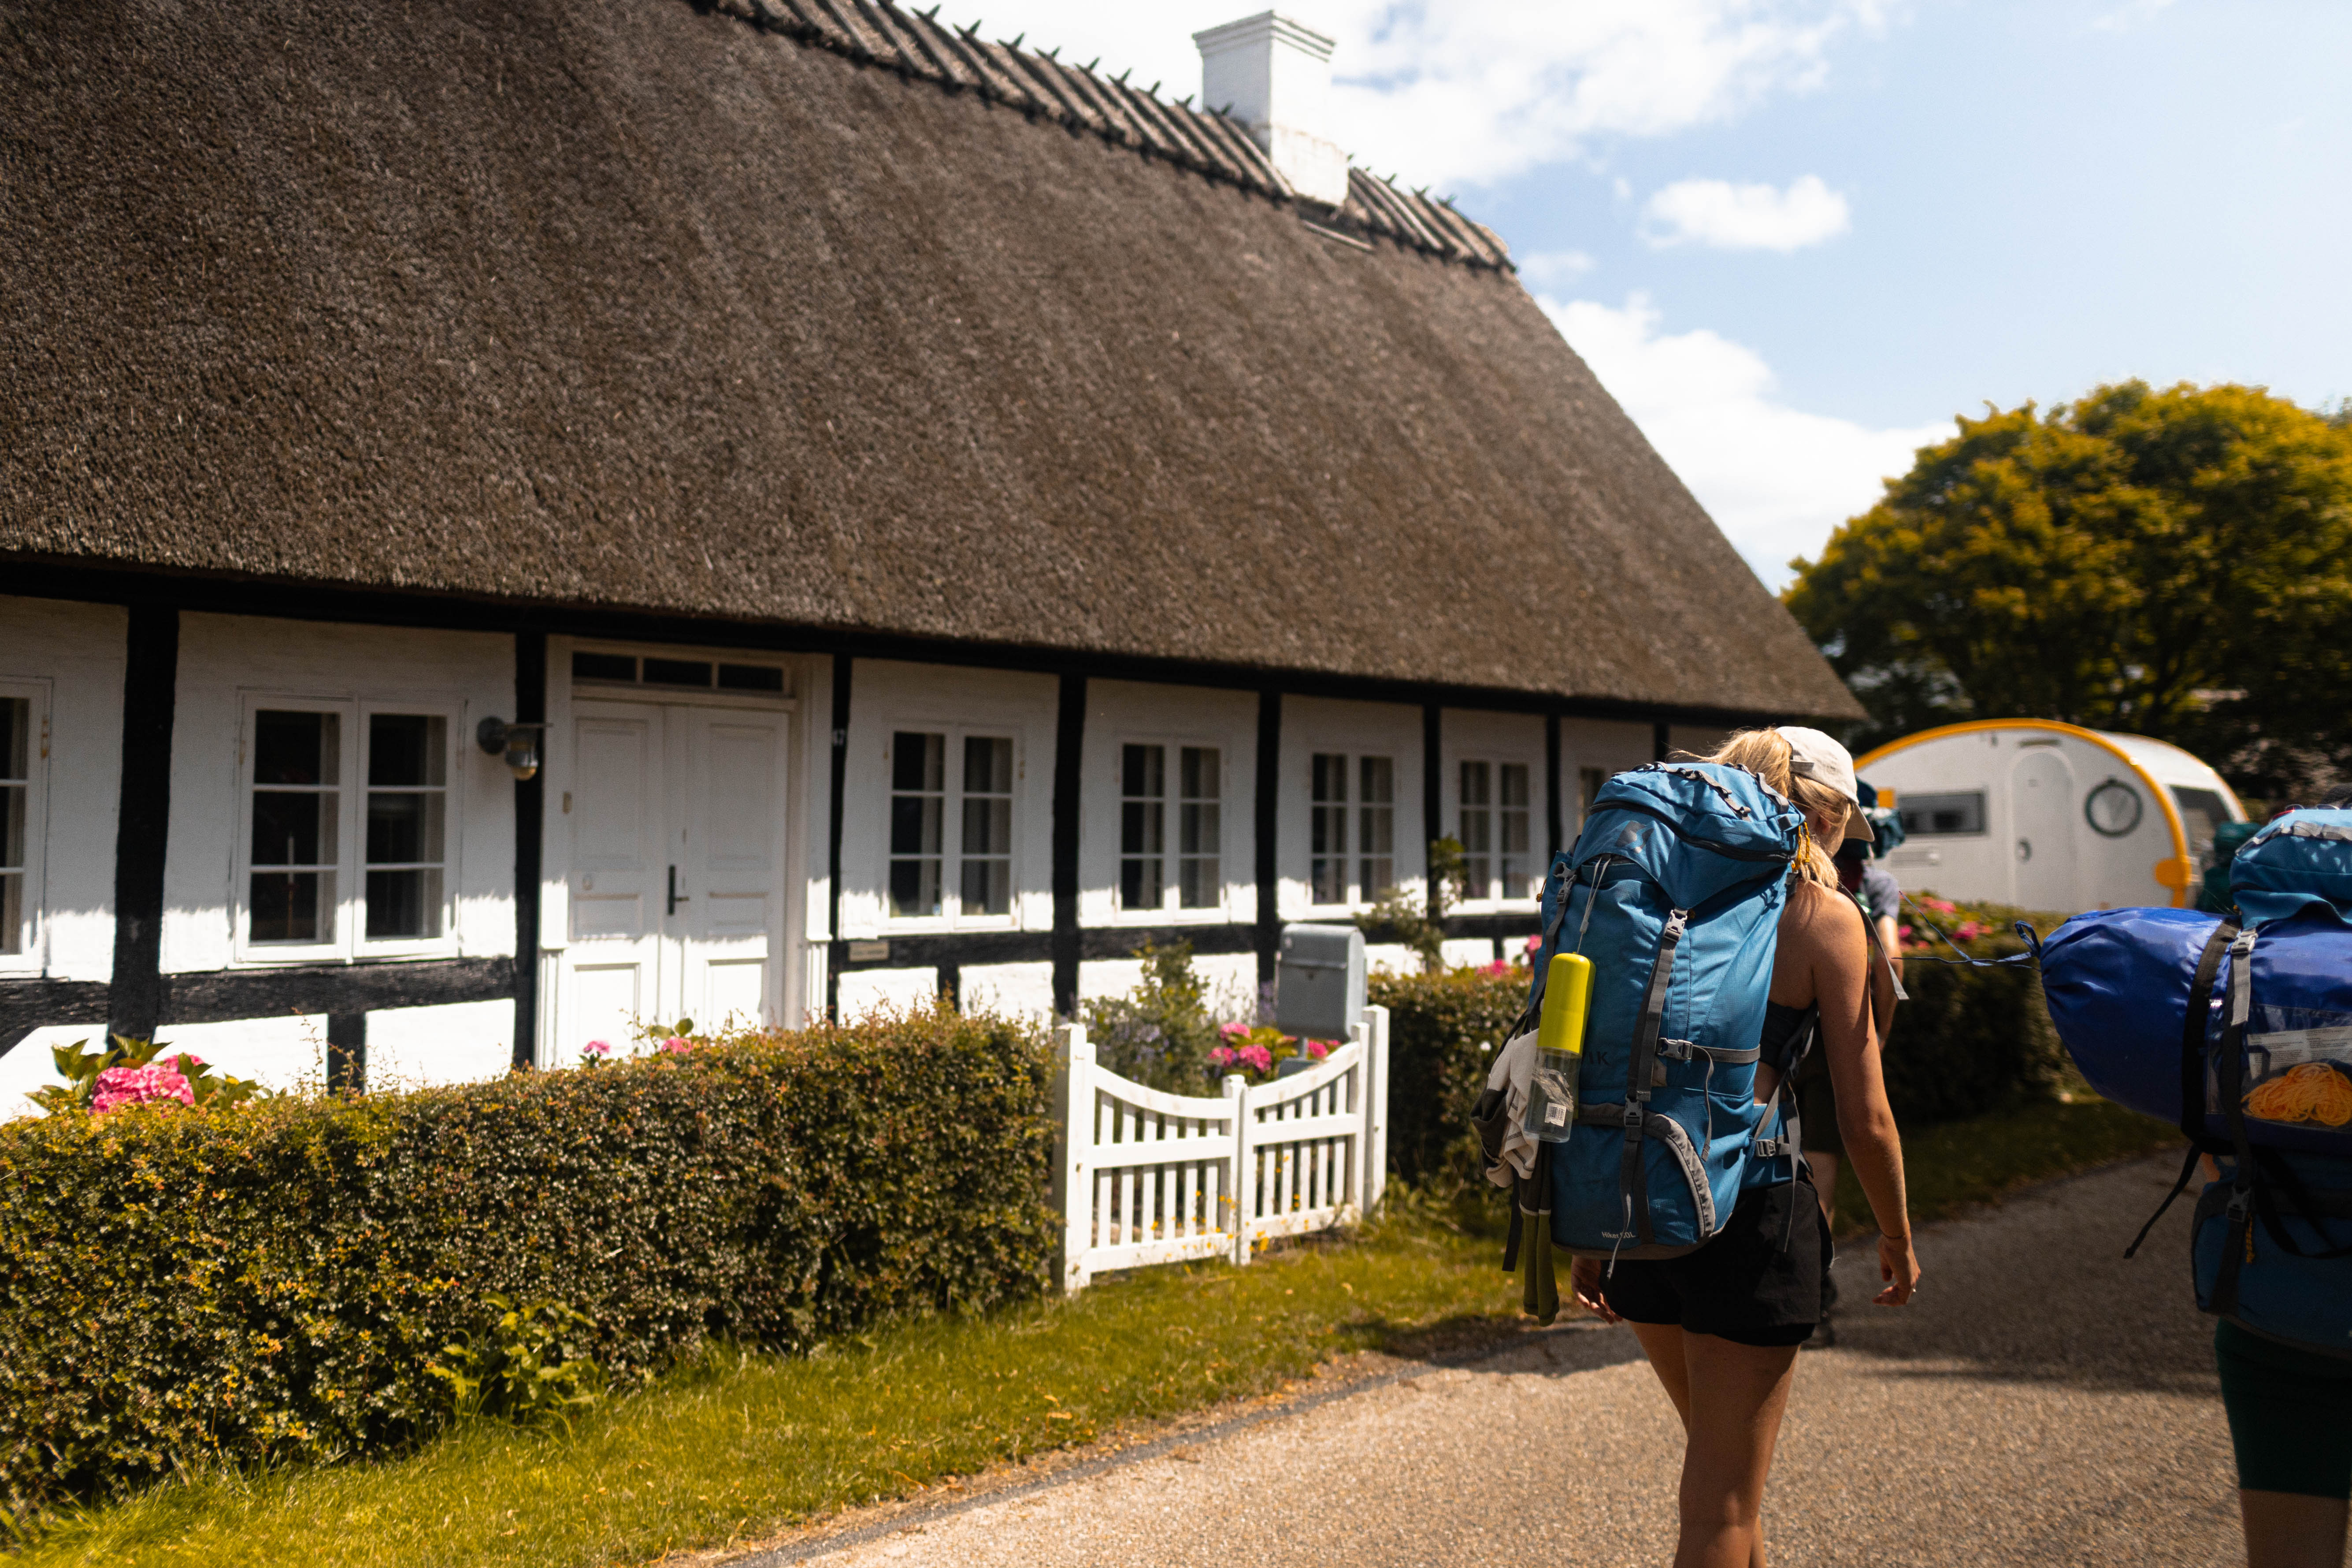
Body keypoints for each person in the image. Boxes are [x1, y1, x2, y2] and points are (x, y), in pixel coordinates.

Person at [1571, 726, 1919, 1568]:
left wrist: (1584, 1222)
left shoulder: (1643, 894)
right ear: (1828, 817)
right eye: (1847, 828)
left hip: (1631, 1196)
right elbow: (1865, 1115)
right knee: (1721, 1505)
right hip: (1752, 1212)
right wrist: (1898, 1238)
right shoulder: (1823, 918)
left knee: (1727, 1476)